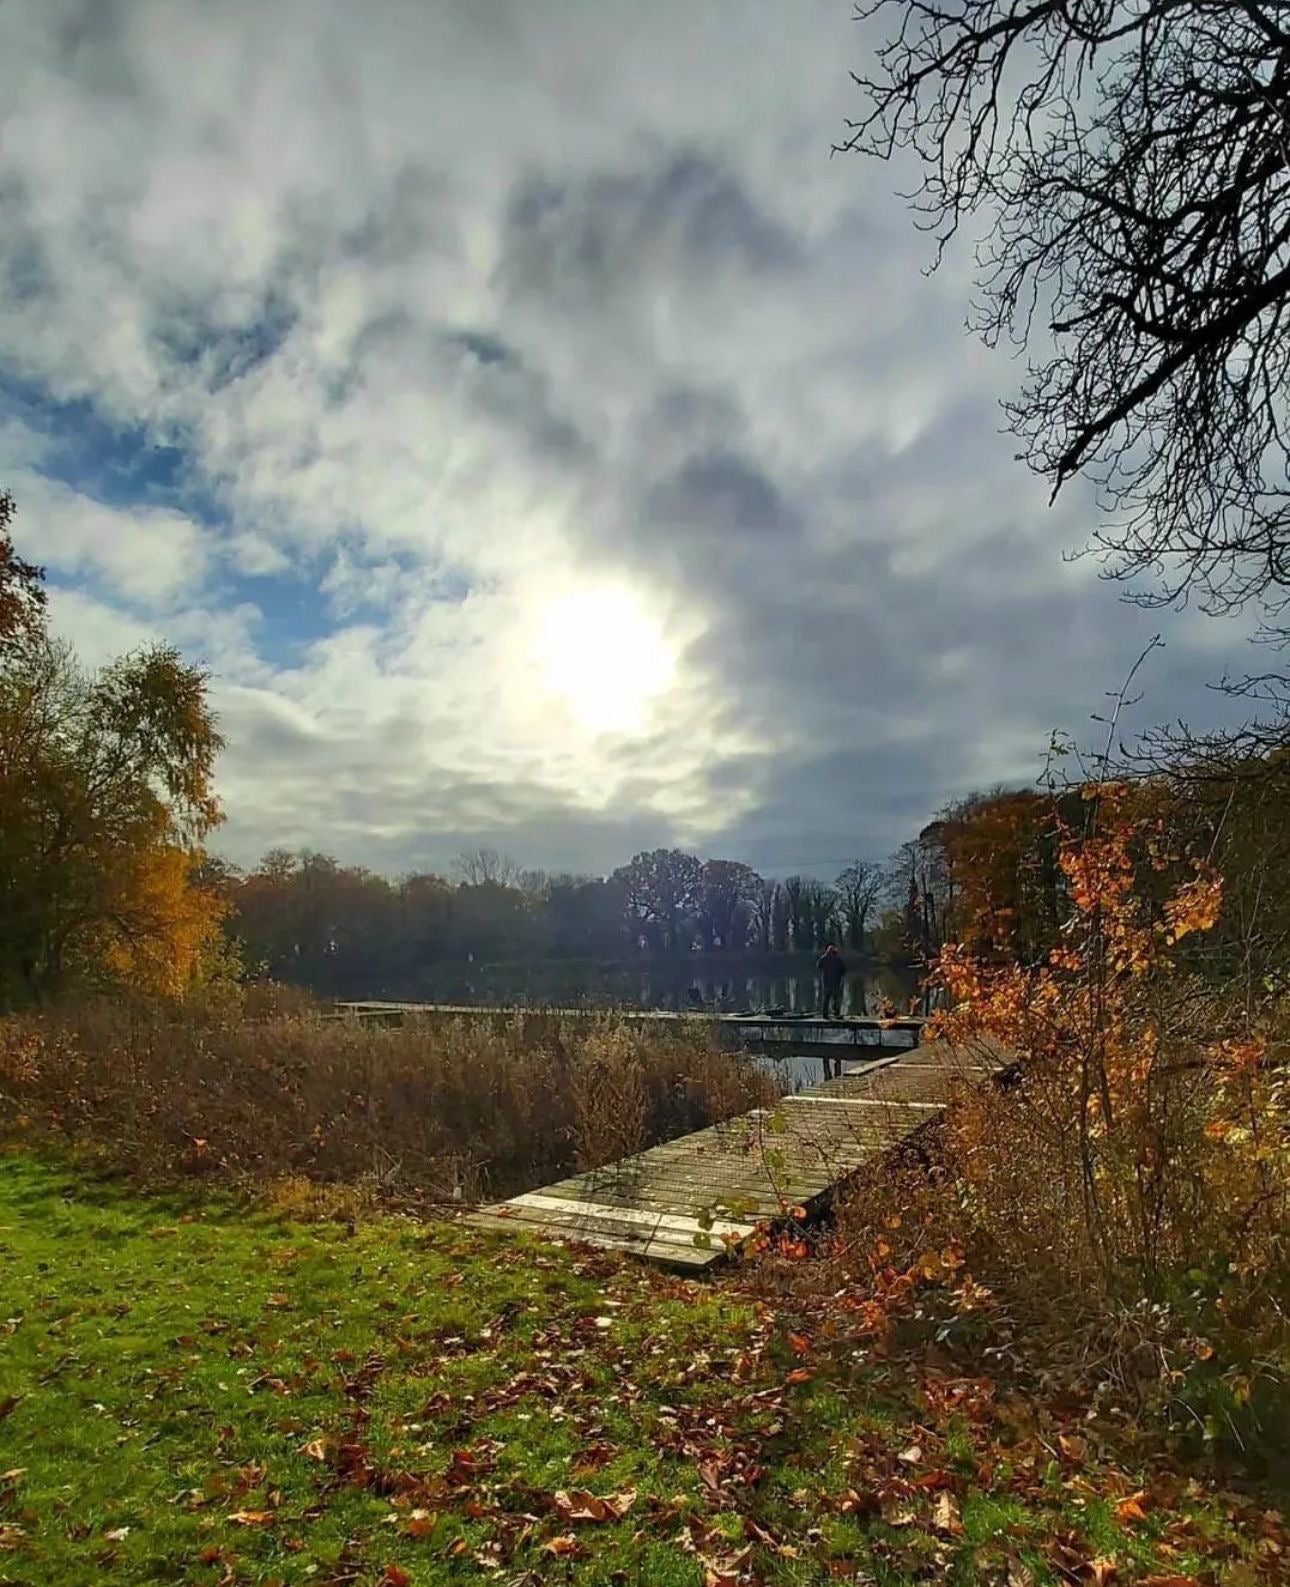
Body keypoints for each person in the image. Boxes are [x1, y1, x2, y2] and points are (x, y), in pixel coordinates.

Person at [816, 944, 847, 1020]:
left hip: (826, 982)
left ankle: (825, 1014)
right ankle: (836, 1013)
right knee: (836, 999)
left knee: (826, 999)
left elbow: (818, 966)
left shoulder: (823, 958)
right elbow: (843, 970)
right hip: (836, 982)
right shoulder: (838, 959)